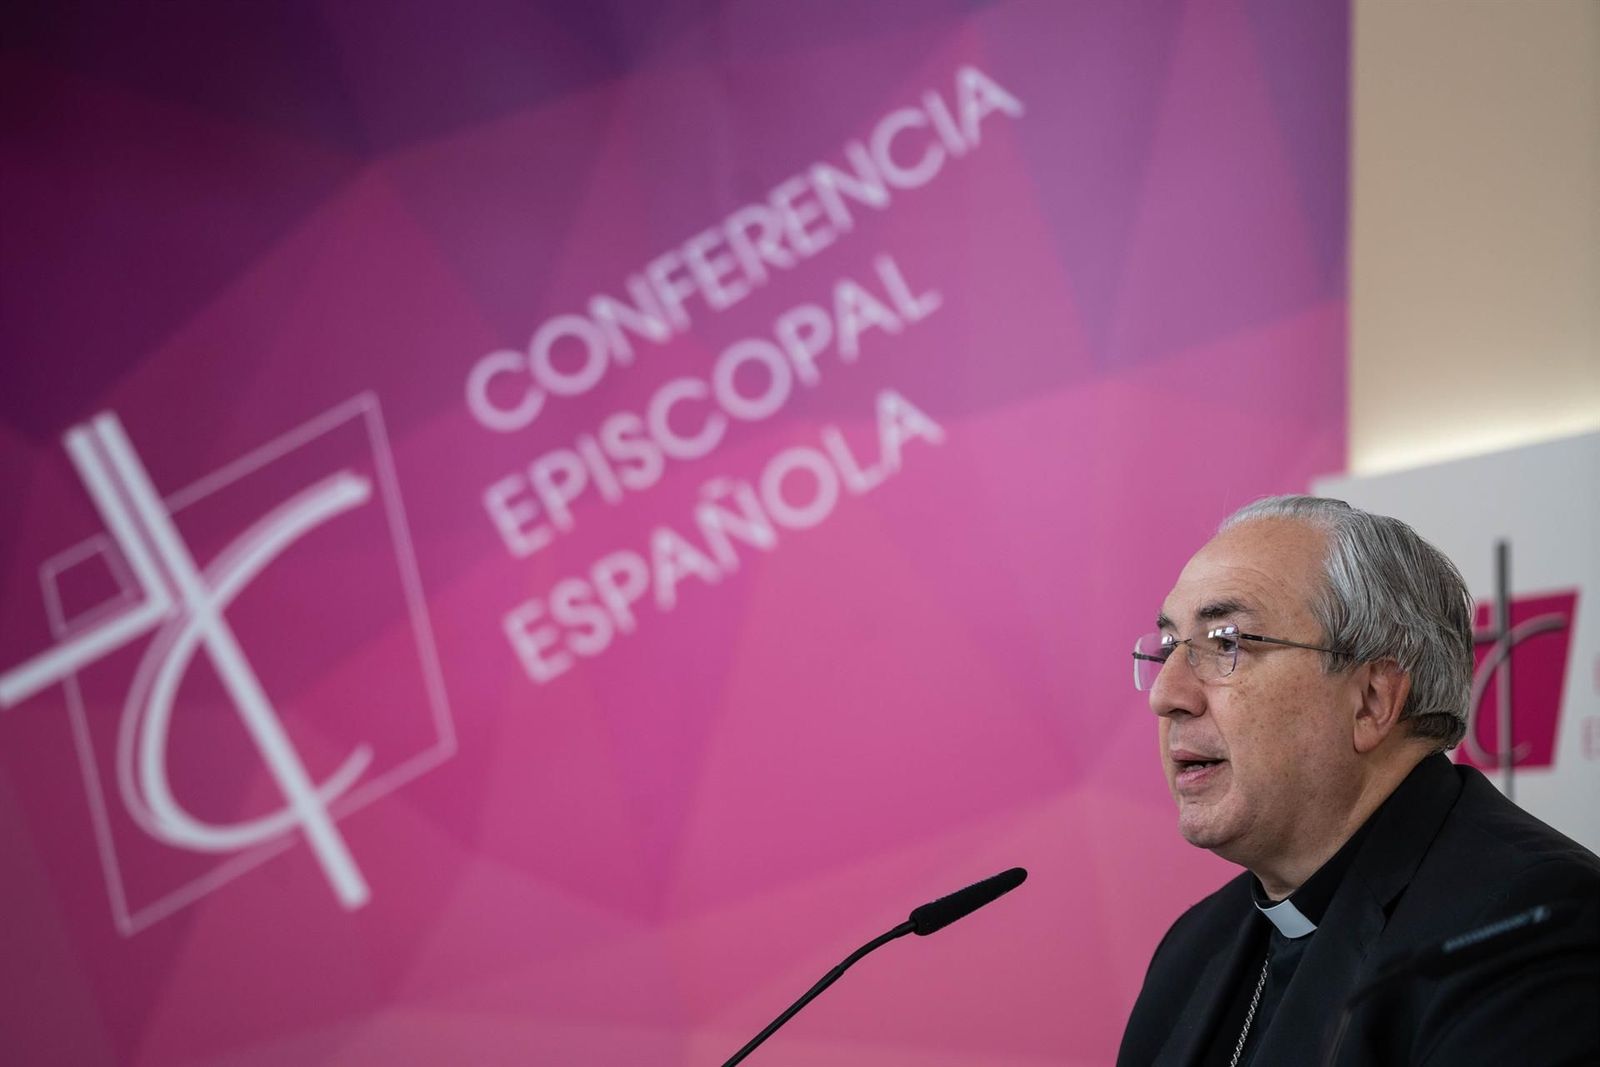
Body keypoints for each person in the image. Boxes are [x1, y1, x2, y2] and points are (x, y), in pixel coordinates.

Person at [1116, 495, 1600, 1067]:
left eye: (1227, 642)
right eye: (1170, 647)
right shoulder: (1196, 946)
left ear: (1372, 700)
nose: (1168, 696)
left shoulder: (1531, 927)